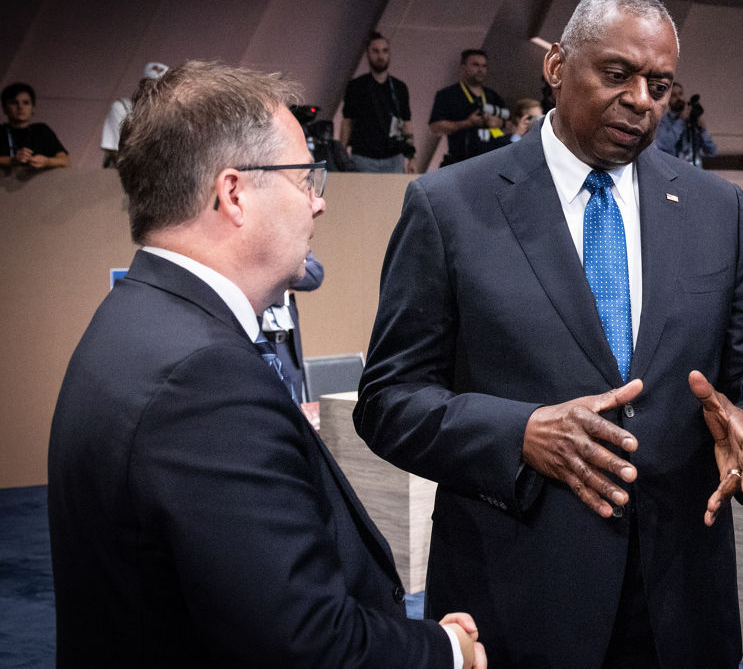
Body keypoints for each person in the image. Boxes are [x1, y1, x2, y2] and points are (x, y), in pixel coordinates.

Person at [355, 0, 743, 669]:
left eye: (659, 85)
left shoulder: (719, 209)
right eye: (617, 75)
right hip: (518, 601)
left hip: (681, 604)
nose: (641, 100)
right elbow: (388, 400)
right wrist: (519, 435)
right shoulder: (449, 207)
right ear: (557, 65)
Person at [47, 60, 484, 668]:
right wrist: (447, 651)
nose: (318, 203)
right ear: (233, 194)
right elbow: (303, 640)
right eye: (305, 178)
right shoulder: (204, 381)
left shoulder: (133, 319)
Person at [341, 31, 417, 174]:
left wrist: (411, 157)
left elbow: (406, 122)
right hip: (363, 155)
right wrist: (342, 154)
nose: (380, 56)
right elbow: (347, 121)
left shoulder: (399, 87)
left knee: (394, 189)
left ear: (389, 54)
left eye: (384, 51)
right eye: (375, 51)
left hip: (394, 155)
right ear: (368, 54)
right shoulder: (356, 86)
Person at [260, 250, 324, 404]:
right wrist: (286, 279)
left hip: (287, 344)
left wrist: (273, 279)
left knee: (294, 404)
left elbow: (315, 274)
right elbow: (249, 275)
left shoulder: (290, 238)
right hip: (256, 340)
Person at [429, 49, 511, 165]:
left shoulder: (493, 96)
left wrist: (499, 123)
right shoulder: (448, 94)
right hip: (459, 161)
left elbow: (512, 126)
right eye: (475, 65)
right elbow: (435, 127)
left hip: (489, 162)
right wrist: (467, 123)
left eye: (484, 66)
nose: (480, 70)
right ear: (463, 67)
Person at [101, 61, 168, 168]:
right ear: (141, 86)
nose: (152, 91)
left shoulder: (168, 118)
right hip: (121, 173)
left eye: (159, 87)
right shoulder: (122, 107)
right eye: (148, 85)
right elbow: (116, 152)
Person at [1, 82, 69, 171]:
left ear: (33, 108)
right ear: (5, 108)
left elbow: (65, 161)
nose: (20, 107)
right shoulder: (1, 131)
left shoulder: (41, 130)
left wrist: (47, 161)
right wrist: (12, 160)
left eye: (26, 103)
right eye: (14, 103)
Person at [655, 82, 717, 167]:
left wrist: (702, 130)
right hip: (674, 172)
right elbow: (664, 145)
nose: (678, 98)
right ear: (668, 100)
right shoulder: (664, 122)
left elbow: (711, 151)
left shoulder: (693, 119)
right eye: (674, 95)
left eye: (680, 94)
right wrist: (681, 121)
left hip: (695, 172)